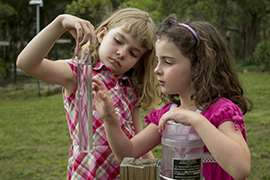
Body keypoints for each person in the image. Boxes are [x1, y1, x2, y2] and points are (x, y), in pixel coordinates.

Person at [92, 14, 253, 180]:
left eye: (167, 62)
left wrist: (195, 120)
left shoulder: (220, 111)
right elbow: (127, 153)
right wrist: (109, 118)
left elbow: (240, 169)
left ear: (198, 67)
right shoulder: (168, 115)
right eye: (157, 61)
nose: (157, 70)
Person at [16, 8, 159, 180]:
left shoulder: (130, 88)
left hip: (125, 174)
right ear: (101, 34)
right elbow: (26, 64)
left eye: (133, 53)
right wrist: (60, 23)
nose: (121, 53)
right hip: (87, 174)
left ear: (139, 61)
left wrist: (155, 173)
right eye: (118, 41)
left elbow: (138, 140)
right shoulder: (81, 73)